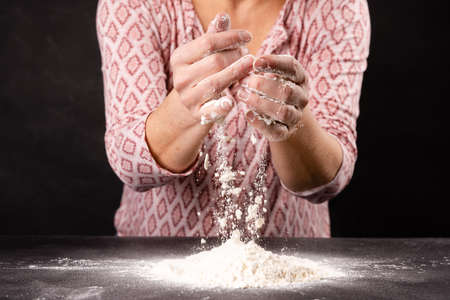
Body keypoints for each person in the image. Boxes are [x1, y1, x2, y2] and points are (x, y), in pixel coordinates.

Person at [96, 0, 370, 237]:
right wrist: (186, 108)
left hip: (291, 269)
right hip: (154, 268)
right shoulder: (137, 4)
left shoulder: (335, 7)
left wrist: (290, 122)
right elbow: (130, 163)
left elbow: (328, 180)